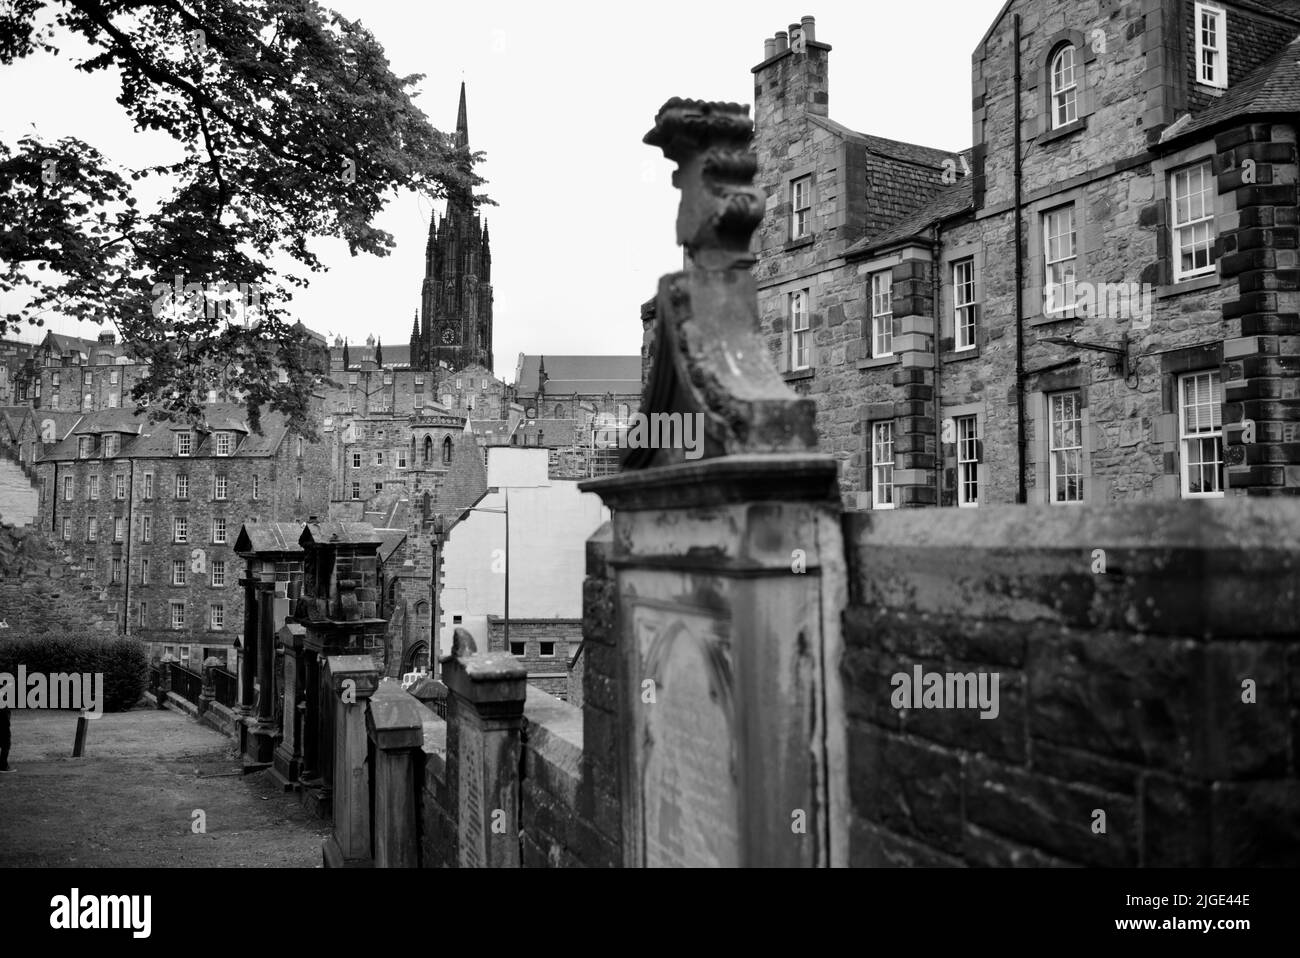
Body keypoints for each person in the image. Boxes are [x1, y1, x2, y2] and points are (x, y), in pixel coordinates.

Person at [0, 704, 11, 772]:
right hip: (4, 729)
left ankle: (3, 765)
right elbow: (6, 721)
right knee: (6, 746)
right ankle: (3, 766)